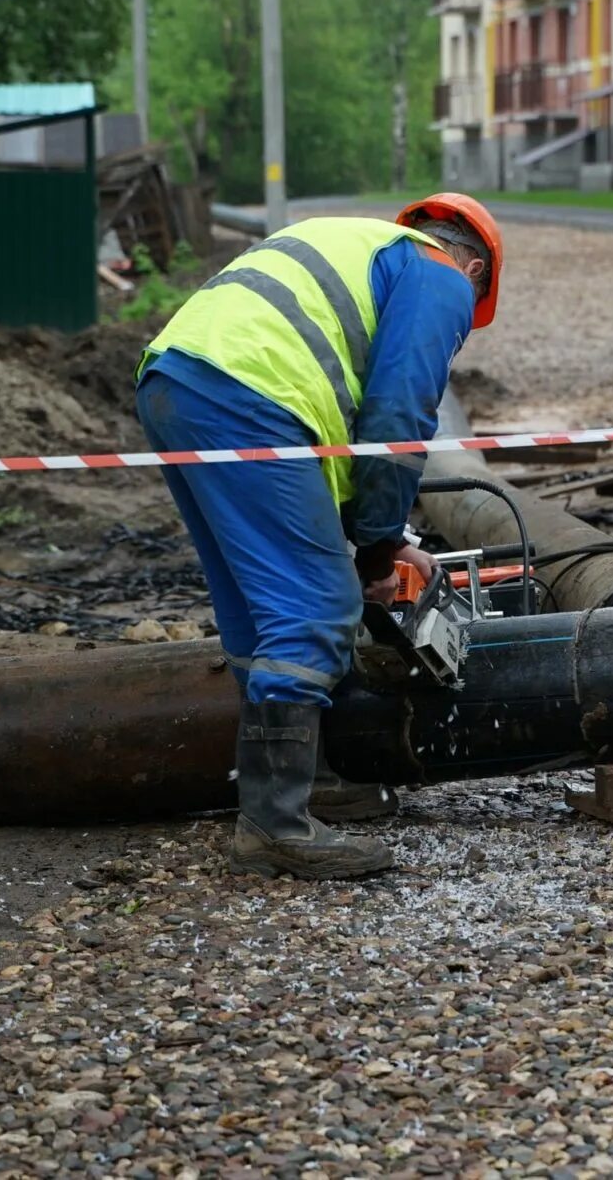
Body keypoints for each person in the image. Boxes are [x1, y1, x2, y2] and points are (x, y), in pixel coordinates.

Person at [136, 196, 503, 878]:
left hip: (176, 382)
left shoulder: (355, 246)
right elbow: (396, 415)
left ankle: (303, 784)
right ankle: (275, 825)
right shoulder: (441, 274)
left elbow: (335, 417)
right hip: (250, 398)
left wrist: (377, 537)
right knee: (315, 608)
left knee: (260, 608)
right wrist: (372, 546)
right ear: (473, 265)